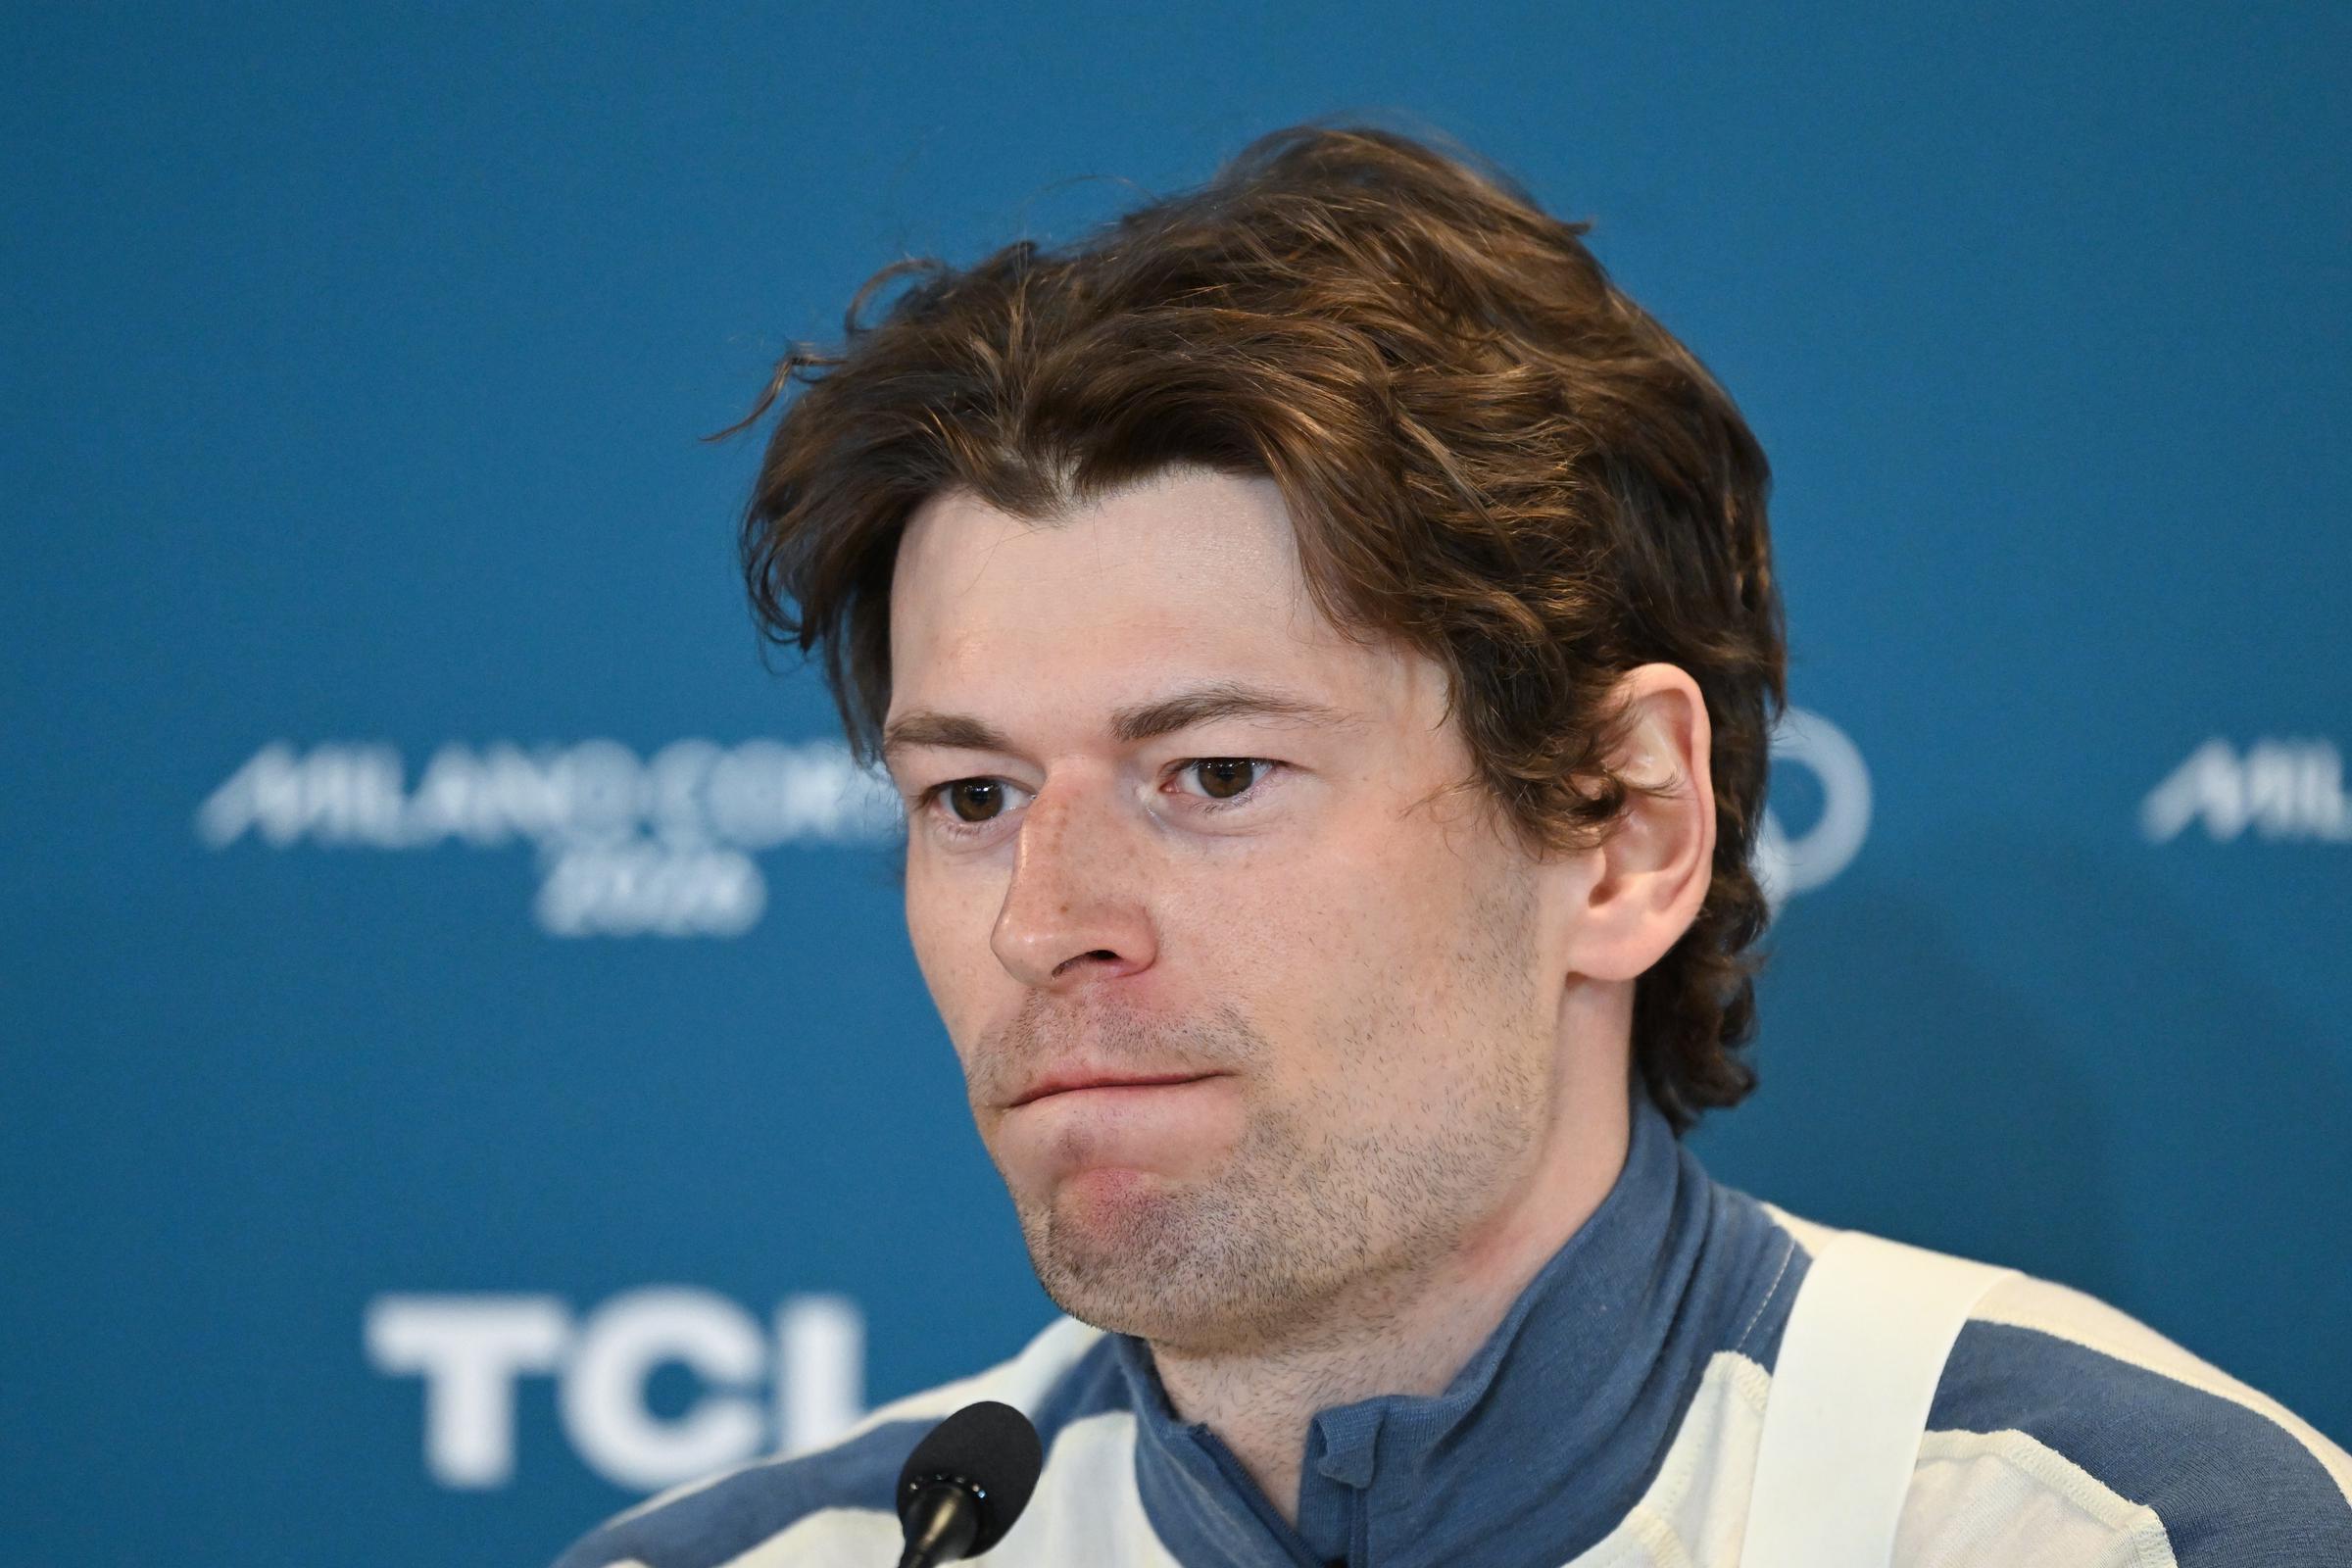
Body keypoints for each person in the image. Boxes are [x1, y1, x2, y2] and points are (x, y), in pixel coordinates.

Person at [555, 126, 2350, 1567]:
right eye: (975, 799)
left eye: (1218, 775)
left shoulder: (2129, 1533)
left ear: (1626, 829)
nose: (1050, 924)